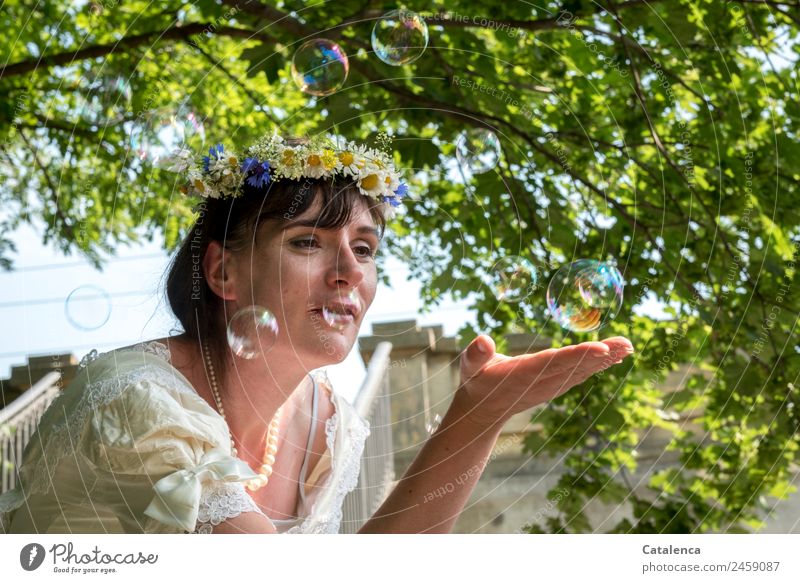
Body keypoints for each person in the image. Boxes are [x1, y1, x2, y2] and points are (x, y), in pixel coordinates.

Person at [0, 134, 634, 534]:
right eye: (308, 242)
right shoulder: (136, 402)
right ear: (223, 270)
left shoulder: (327, 417)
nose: (348, 272)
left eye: (364, 247)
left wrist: (478, 414)